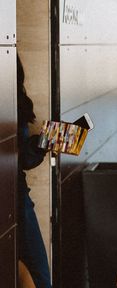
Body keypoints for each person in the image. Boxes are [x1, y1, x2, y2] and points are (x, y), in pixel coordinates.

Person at [16, 56, 51, 288]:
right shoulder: (13, 99)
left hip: (17, 197)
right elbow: (23, 158)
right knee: (40, 277)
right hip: (17, 201)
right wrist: (44, 142)